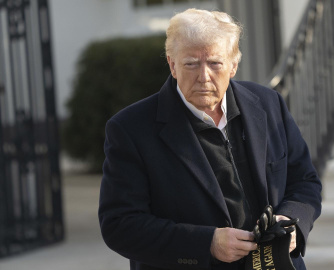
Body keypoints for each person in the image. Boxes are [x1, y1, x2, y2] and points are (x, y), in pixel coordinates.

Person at [98, 8, 322, 270]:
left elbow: (305, 180)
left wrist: (293, 221)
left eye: (215, 63)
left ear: (233, 65)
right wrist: (207, 243)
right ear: (172, 64)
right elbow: (120, 225)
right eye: (191, 63)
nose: (203, 76)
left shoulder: (269, 104)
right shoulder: (130, 129)